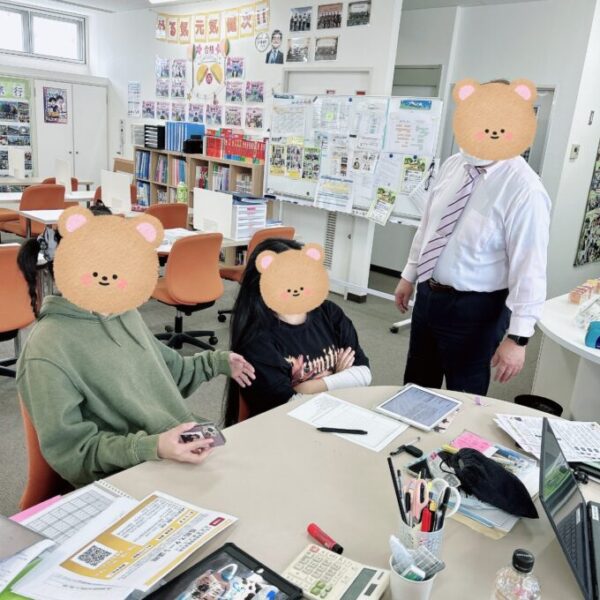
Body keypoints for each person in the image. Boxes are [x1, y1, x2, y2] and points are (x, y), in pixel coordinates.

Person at [16, 206, 255, 487]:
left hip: (176, 450)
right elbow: (75, 455)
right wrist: (153, 447)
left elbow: (170, 373)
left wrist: (216, 362)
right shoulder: (47, 349)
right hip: (129, 475)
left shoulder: (122, 309)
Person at [395, 78, 551, 395]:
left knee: (464, 393)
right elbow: (429, 225)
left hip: (477, 310)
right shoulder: (455, 165)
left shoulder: (524, 189)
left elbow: (530, 267)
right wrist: (409, 275)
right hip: (429, 295)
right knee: (417, 384)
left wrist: (518, 337)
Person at [224, 239, 371, 425]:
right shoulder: (256, 340)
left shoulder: (329, 313)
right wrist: (339, 378)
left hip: (334, 416)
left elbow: (364, 374)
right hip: (284, 428)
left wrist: (309, 387)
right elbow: (290, 406)